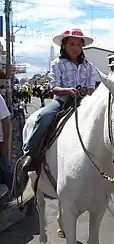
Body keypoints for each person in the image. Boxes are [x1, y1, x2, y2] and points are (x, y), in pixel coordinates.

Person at [19, 28, 96, 173]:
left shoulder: (88, 66)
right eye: (71, 44)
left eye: (79, 45)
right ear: (64, 46)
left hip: (85, 101)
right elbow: (53, 87)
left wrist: (86, 91)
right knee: (44, 116)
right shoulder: (57, 63)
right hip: (62, 100)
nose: (75, 48)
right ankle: (30, 152)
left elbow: (91, 86)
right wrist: (68, 91)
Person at [0, 95, 14, 193]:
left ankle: (17, 193)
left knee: (6, 168)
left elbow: (5, 121)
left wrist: (5, 145)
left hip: (0, 142)